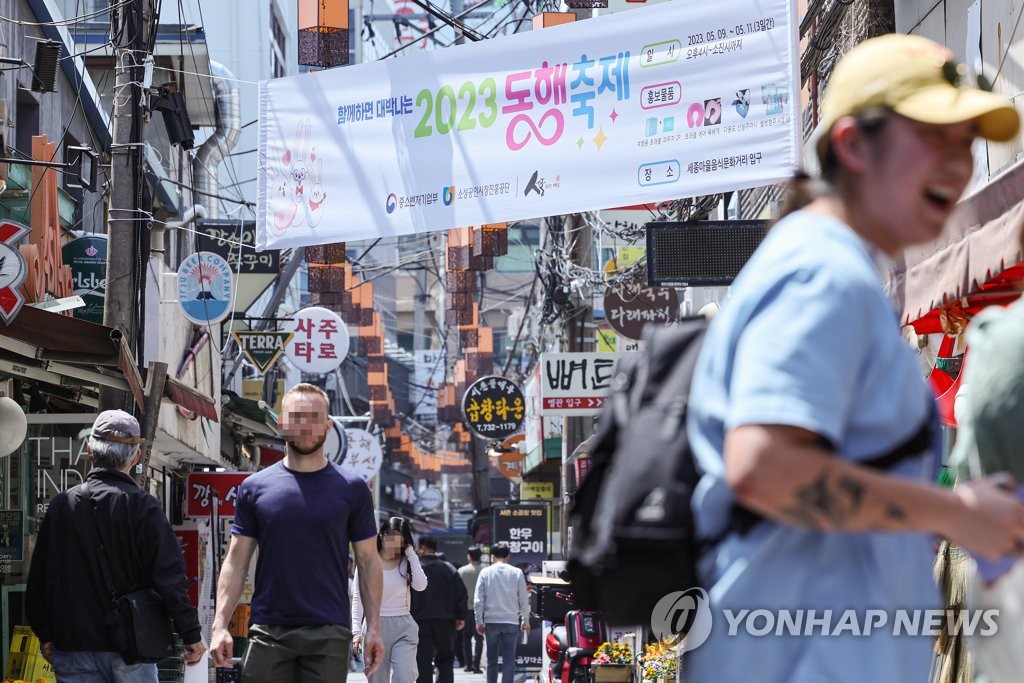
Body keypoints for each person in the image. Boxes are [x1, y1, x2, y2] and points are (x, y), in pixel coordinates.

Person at [684, 33, 1024, 683]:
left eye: (967, 142)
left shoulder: (827, 265)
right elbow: (765, 467)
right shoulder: (822, 271)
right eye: (933, 137)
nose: (959, 165)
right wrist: (957, 513)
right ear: (852, 144)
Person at [210, 383, 384, 682]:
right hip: (268, 628)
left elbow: (368, 562)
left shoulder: (352, 489)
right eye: (297, 416)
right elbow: (237, 561)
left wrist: (374, 629)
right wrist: (220, 625)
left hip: (329, 632)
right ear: (281, 423)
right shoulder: (255, 487)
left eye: (314, 417)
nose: (306, 425)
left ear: (328, 426)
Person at [26, 409, 206, 681]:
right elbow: (169, 578)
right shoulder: (143, 507)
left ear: (90, 451)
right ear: (135, 458)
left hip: (73, 646)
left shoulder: (62, 506)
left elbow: (39, 578)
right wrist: (191, 634)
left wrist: (45, 633)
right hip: (132, 647)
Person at [352, 517, 428, 683]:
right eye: (391, 539)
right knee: (377, 679)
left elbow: (421, 585)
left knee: (405, 676)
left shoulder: (406, 562)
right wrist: (356, 632)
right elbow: (358, 597)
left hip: (404, 627)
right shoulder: (368, 562)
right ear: (381, 536)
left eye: (400, 541)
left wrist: (411, 554)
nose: (395, 545)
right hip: (375, 627)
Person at [411, 535, 467, 683]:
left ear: (422, 548)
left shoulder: (414, 569)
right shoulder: (449, 568)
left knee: (422, 660)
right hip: (446, 622)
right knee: (445, 660)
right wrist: (461, 616)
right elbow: (460, 593)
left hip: (419, 622)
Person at [474, 544, 529, 683]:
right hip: (511, 621)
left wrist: (479, 621)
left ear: (492, 557)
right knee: (509, 660)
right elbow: (523, 598)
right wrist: (525, 620)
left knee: (491, 660)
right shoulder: (517, 572)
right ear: (508, 556)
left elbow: (478, 600)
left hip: (491, 622)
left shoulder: (485, 572)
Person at [458, 547, 484, 673]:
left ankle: (468, 665)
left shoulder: (461, 571)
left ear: (469, 556)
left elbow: (457, 592)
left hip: (466, 609)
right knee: (479, 638)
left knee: (466, 638)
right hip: (481, 610)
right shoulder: (484, 571)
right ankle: (477, 665)